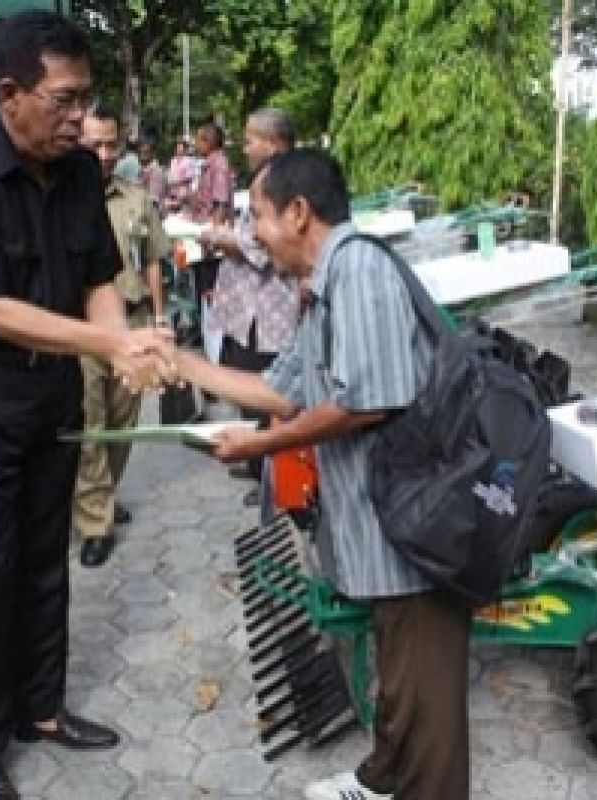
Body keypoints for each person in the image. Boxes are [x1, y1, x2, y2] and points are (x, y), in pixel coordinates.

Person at [0, 11, 174, 799]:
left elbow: (97, 277)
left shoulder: (83, 172)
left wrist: (122, 341)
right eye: (63, 100)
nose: (79, 118)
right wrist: (106, 347)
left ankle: (42, 709)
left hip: (48, 389)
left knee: (42, 556)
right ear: (9, 92)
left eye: (86, 99)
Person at [176, 148, 471, 800]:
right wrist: (185, 366)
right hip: (384, 523)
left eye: (258, 217)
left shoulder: (359, 269)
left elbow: (368, 400)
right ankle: (382, 779)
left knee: (427, 691)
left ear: (299, 212)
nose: (251, 233)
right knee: (400, 672)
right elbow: (283, 389)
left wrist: (263, 446)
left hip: (415, 524)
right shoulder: (324, 285)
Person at [72, 105, 168, 568]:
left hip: (130, 322)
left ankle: (102, 495)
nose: (105, 154)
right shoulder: (62, 200)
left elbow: (152, 258)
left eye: (113, 145)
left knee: (122, 422)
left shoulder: (136, 198)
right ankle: (94, 521)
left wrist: (159, 315)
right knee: (90, 425)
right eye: (95, 145)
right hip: (83, 329)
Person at [199, 108, 298, 499]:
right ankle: (259, 465)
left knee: (268, 391)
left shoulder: (288, 184)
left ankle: (273, 474)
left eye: (251, 139)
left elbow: (261, 246)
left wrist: (220, 238)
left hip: (272, 310)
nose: (245, 146)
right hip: (249, 312)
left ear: (273, 143)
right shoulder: (265, 180)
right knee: (245, 380)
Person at [188, 120, 233, 225]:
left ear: (207, 142)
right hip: (202, 222)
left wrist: (216, 235)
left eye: (197, 140)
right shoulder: (209, 164)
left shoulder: (219, 165)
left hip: (210, 226)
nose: (195, 144)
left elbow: (220, 203)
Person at [137, 132, 167, 208]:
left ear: (153, 153)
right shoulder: (143, 169)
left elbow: (154, 201)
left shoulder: (156, 172)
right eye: (141, 153)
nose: (142, 156)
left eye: (145, 153)